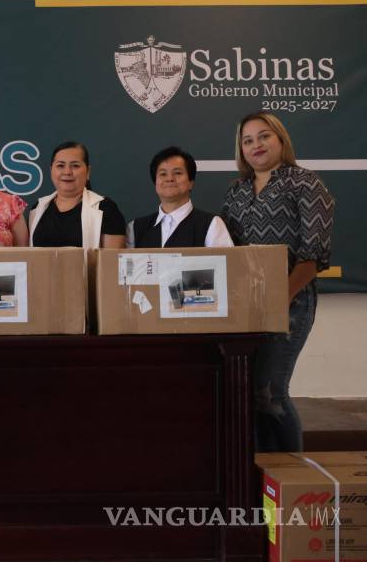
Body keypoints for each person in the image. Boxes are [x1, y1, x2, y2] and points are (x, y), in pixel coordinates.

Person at [221, 112, 335, 453]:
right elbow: (225, 249)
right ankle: (259, 471)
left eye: (264, 136)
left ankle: (291, 476)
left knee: (269, 392)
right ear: (241, 150)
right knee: (245, 393)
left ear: (281, 140)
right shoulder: (236, 191)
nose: (256, 145)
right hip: (245, 305)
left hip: (291, 301)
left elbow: (313, 254)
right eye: (247, 140)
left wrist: (279, 299)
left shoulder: (305, 182)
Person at [127, 146, 234, 248]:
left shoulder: (212, 225)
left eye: (177, 173)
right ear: (155, 183)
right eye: (163, 174)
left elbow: (227, 261)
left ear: (191, 182)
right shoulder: (135, 229)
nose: (169, 179)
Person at [28, 141, 126, 249]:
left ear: (88, 171)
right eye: (60, 165)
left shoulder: (105, 209)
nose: (67, 172)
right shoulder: (38, 208)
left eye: (75, 166)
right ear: (51, 170)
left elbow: (112, 258)